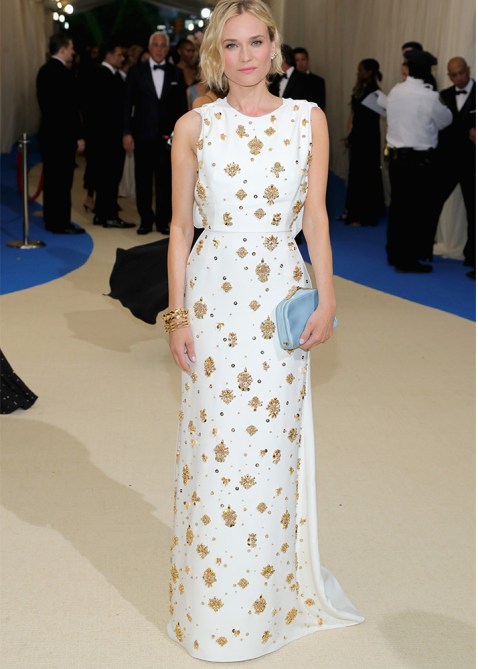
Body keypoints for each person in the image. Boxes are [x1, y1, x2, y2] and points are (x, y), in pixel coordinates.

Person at [164, 0, 364, 661]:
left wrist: (327, 297)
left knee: (272, 447)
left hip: (278, 289)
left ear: (274, 47)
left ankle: (266, 604)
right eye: (232, 44)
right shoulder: (195, 126)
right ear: (215, 54)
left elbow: (316, 218)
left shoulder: (308, 119)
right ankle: (212, 609)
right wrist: (177, 314)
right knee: (217, 447)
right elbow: (180, 228)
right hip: (213, 296)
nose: (245, 56)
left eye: (256, 42)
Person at [385, 50, 452, 273]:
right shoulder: (429, 96)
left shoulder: (395, 90)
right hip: (418, 162)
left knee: (398, 208)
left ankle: (394, 253)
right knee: (414, 211)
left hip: (396, 159)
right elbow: (446, 120)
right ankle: (408, 260)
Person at [123, 32, 188, 236]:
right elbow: (127, 105)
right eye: (156, 45)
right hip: (142, 135)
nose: (159, 49)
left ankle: (163, 220)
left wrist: (180, 135)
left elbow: (182, 108)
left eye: (163, 45)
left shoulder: (177, 73)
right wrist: (126, 133)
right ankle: (145, 219)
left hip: (168, 138)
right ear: (150, 47)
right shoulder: (136, 72)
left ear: (167, 49)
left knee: (165, 180)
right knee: (143, 179)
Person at [36, 34, 85, 234]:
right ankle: (60, 222)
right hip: (63, 137)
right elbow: (70, 110)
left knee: (51, 180)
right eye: (71, 48)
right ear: (63, 49)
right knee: (63, 181)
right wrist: (78, 136)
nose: (73, 52)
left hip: (48, 134)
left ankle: (52, 219)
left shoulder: (43, 71)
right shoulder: (64, 74)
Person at [433, 57, 475, 277]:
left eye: (462, 73)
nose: (459, 78)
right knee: (432, 202)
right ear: (449, 76)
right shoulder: (444, 96)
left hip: (472, 163)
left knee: (474, 209)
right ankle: (424, 248)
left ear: (468, 70)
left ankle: (473, 256)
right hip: (448, 162)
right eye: (454, 74)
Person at [85, 40, 135, 229]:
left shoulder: (104, 74)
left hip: (102, 137)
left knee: (105, 176)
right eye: (119, 54)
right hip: (108, 137)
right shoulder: (105, 76)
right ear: (108, 55)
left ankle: (101, 213)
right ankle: (109, 215)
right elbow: (108, 110)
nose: (122, 58)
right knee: (110, 177)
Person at [343, 59, 385, 227]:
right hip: (359, 137)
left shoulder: (375, 92)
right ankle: (353, 210)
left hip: (368, 139)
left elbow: (369, 119)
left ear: (369, 72)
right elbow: (356, 116)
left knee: (366, 174)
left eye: (360, 70)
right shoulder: (361, 89)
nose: (358, 73)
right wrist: (350, 135)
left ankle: (366, 214)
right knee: (356, 174)